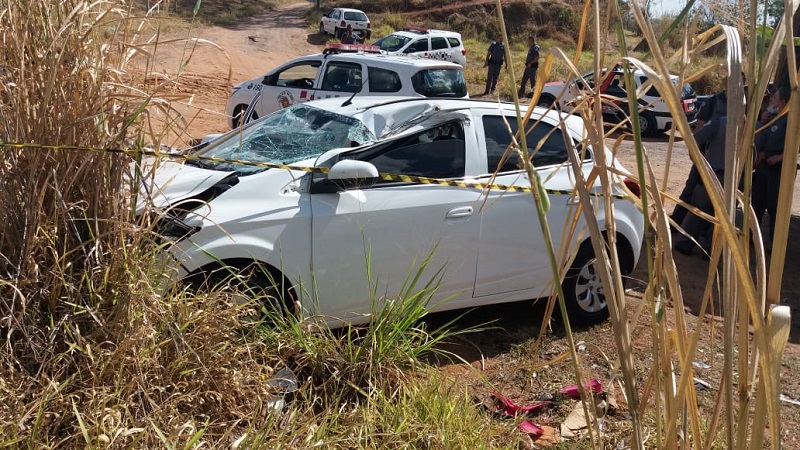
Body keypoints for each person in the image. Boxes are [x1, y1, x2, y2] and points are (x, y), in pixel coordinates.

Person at [674, 116, 728, 257]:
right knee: (722, 216)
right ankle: (712, 249)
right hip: (729, 178)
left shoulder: (719, 122)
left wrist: (700, 161)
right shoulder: (753, 126)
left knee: (698, 211)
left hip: (712, 174)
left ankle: (687, 243)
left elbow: (694, 141)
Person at [751, 85, 790, 247]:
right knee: (756, 206)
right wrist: (762, 121)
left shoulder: (791, 119)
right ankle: (752, 239)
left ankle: (775, 245)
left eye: (775, 97)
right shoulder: (770, 117)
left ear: (783, 101)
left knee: (775, 209)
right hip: (762, 167)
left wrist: (781, 156)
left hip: (778, 170)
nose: (771, 100)